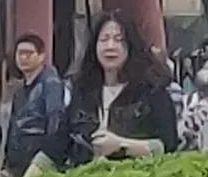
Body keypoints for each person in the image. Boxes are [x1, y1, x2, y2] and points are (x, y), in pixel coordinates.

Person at [76, 15, 178, 161]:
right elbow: (60, 142)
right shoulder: (82, 91)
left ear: (131, 46)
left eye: (119, 40)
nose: (110, 46)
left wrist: (122, 146)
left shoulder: (152, 91)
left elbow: (168, 146)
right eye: (104, 40)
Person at [0, 33, 74, 177]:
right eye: (20, 53)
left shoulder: (51, 84)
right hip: (17, 165)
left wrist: (46, 158)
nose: (23, 58)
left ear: (41, 56)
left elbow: (55, 121)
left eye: (29, 53)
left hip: (38, 163)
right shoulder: (19, 91)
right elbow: (13, 129)